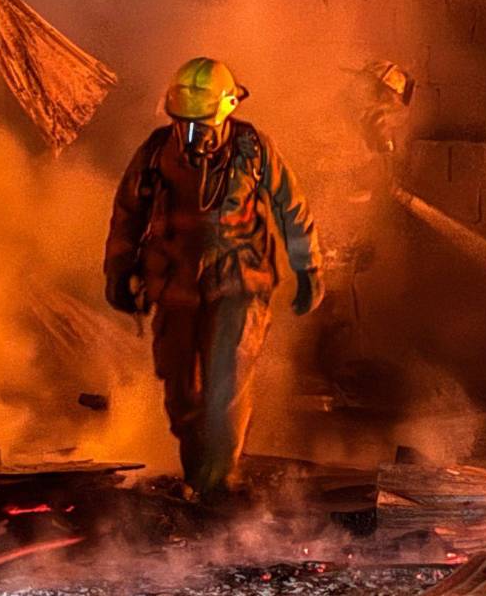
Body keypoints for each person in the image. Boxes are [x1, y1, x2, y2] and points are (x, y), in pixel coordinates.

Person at [103, 57, 324, 498]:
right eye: (182, 123)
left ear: (226, 110)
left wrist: (308, 267)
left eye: (200, 124)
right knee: (182, 393)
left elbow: (291, 206)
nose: (191, 134)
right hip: (176, 287)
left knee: (227, 384)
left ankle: (217, 483)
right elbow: (128, 212)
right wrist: (119, 269)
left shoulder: (254, 149)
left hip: (239, 284)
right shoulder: (156, 152)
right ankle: (198, 475)